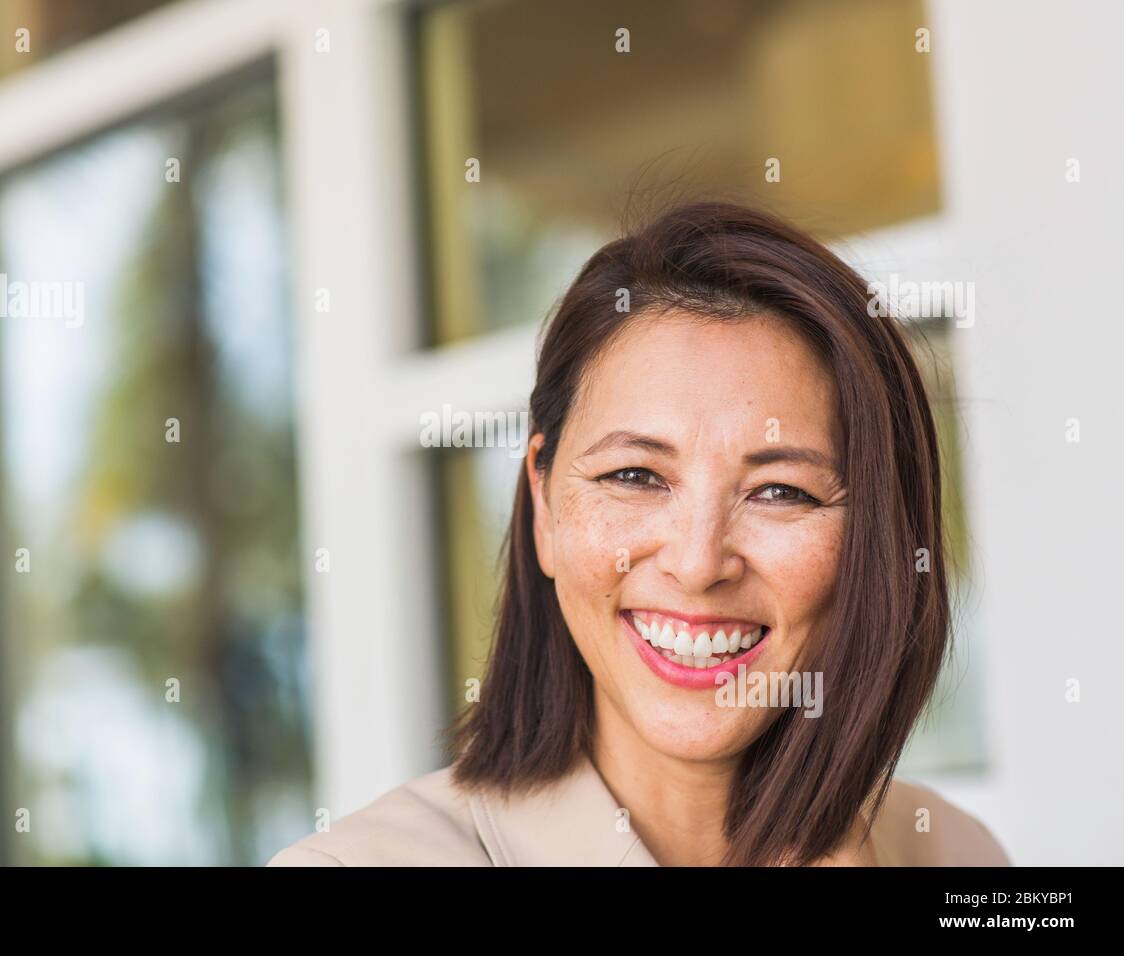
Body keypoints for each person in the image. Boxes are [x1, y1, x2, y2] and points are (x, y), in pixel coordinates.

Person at [267, 201, 1010, 867]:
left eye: (780, 491)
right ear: (544, 504)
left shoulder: (961, 858)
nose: (696, 563)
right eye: (634, 476)